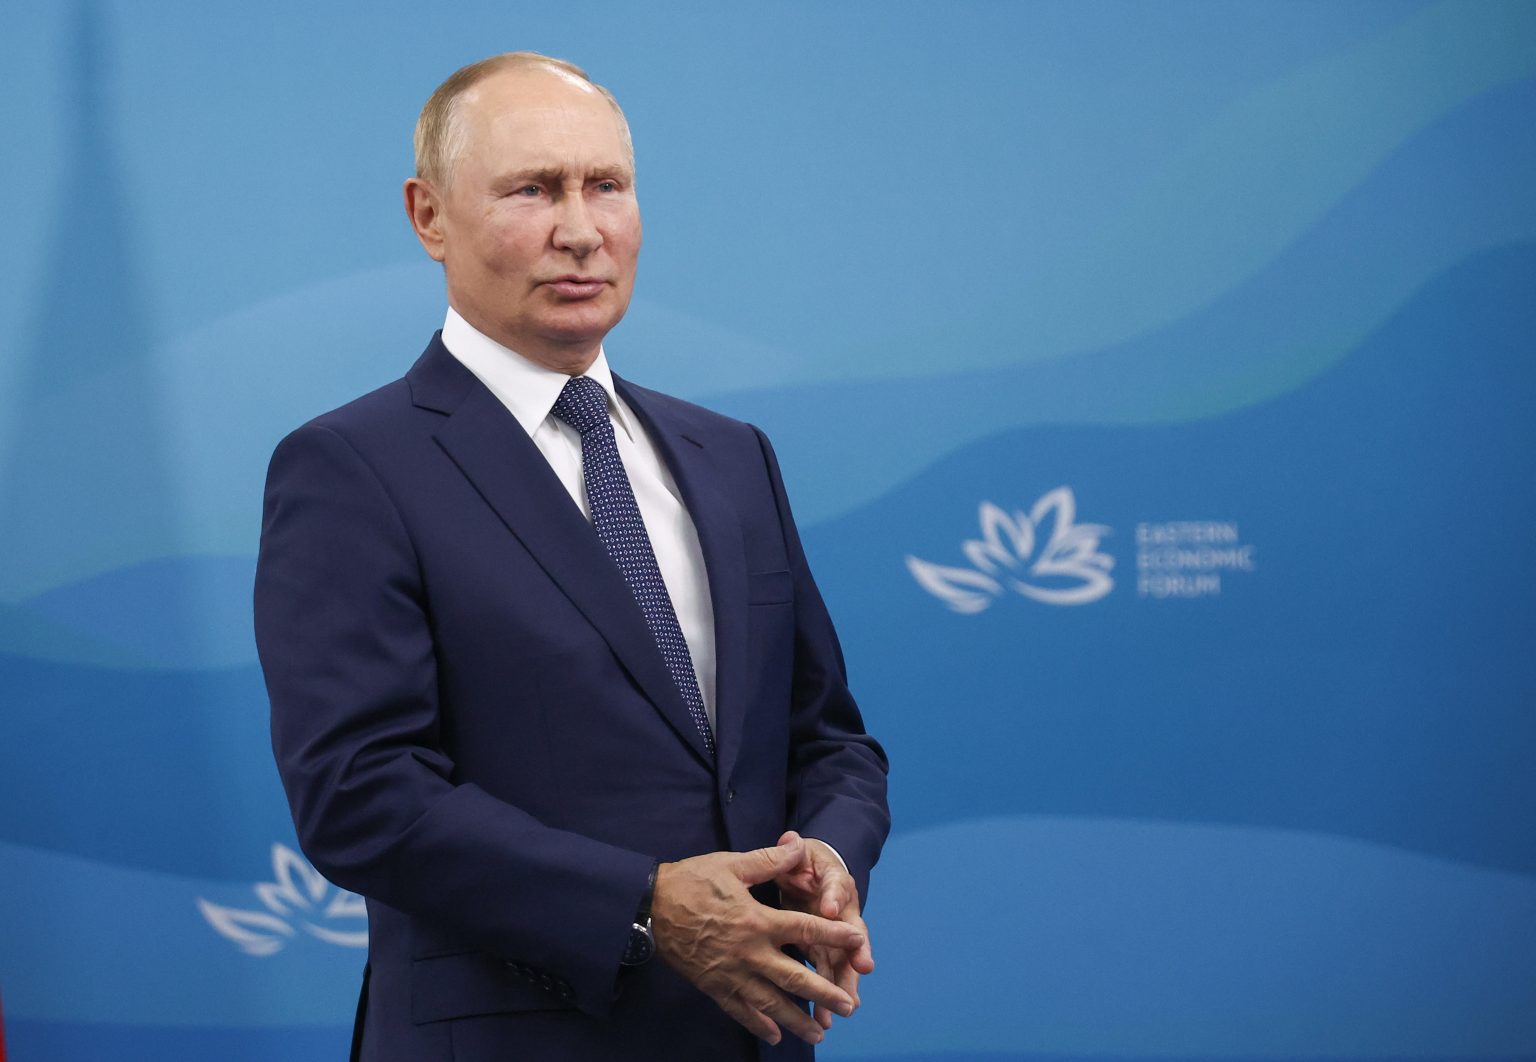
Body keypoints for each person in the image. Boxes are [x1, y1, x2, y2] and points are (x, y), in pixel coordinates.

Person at [254, 51, 890, 1061]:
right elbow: (359, 791)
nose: (582, 229)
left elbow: (829, 740)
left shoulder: (732, 456)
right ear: (429, 216)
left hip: (752, 1036)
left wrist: (828, 854)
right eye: (534, 190)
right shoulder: (351, 467)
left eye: (606, 186)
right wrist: (645, 904)